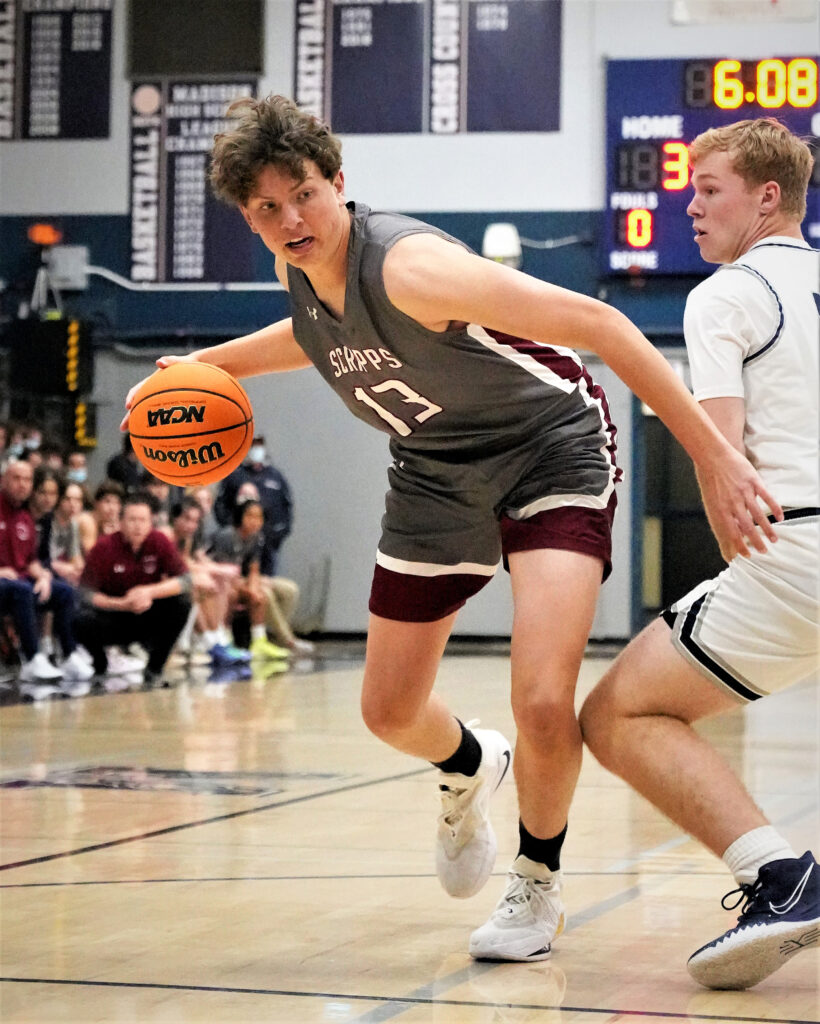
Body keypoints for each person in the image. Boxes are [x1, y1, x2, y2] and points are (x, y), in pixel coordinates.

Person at [123, 95, 779, 962]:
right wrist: (210, 363)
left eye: (305, 195)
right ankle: (471, 763)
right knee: (389, 710)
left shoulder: (411, 266)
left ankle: (535, 885)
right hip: (434, 471)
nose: (291, 219)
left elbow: (606, 325)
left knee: (545, 697)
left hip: (552, 450)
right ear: (249, 219)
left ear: (340, 184)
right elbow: (314, 338)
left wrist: (711, 457)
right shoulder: (306, 270)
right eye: (267, 210)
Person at [580, 118, 818, 989]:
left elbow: (724, 467)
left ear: (766, 197)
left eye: (708, 188)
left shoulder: (726, 293)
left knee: (615, 714)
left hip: (801, 552)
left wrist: (739, 542)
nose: (689, 205)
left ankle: (779, 878)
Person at [75, 492, 192, 686]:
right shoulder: (104, 547)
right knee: (80, 619)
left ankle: (155, 668)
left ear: (150, 523)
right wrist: (121, 604)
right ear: (120, 522)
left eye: (143, 520)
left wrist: (149, 592)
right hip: (114, 615)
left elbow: (186, 580)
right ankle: (100, 663)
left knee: (182, 602)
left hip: (147, 613)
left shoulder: (159, 541)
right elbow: (84, 593)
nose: (138, 525)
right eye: (132, 520)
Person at [0, 459, 94, 696]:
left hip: (18, 581)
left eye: (27, 480)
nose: (22, 484)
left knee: (64, 591)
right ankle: (32, 659)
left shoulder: (25, 518)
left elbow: (31, 560)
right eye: (16, 478)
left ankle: (69, 654)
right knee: (21, 590)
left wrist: (43, 575)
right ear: (3, 480)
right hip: (7, 584)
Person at [162, 496, 247, 669]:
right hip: (158, 582)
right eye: (186, 519)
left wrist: (213, 571)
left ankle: (217, 637)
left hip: (174, 580)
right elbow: (177, 567)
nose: (191, 525)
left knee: (218, 582)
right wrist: (212, 570)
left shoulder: (186, 539)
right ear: (174, 517)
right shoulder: (166, 535)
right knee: (196, 585)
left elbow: (187, 562)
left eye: (195, 521)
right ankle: (200, 643)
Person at [209, 498, 292, 662]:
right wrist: (246, 589)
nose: (255, 521)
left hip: (237, 579)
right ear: (240, 516)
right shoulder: (227, 536)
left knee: (258, 595)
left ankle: (259, 641)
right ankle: (225, 640)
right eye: (250, 516)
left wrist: (253, 589)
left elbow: (254, 569)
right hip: (218, 581)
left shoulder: (256, 538)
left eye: (259, 517)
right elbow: (224, 575)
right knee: (231, 595)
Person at [214, 435, 293, 577]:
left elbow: (286, 507)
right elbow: (220, 504)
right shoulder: (235, 475)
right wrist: (231, 526)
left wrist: (277, 535)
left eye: (259, 446)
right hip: (238, 540)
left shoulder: (276, 476)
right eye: (253, 446)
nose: (257, 450)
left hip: (267, 543)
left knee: (265, 582)